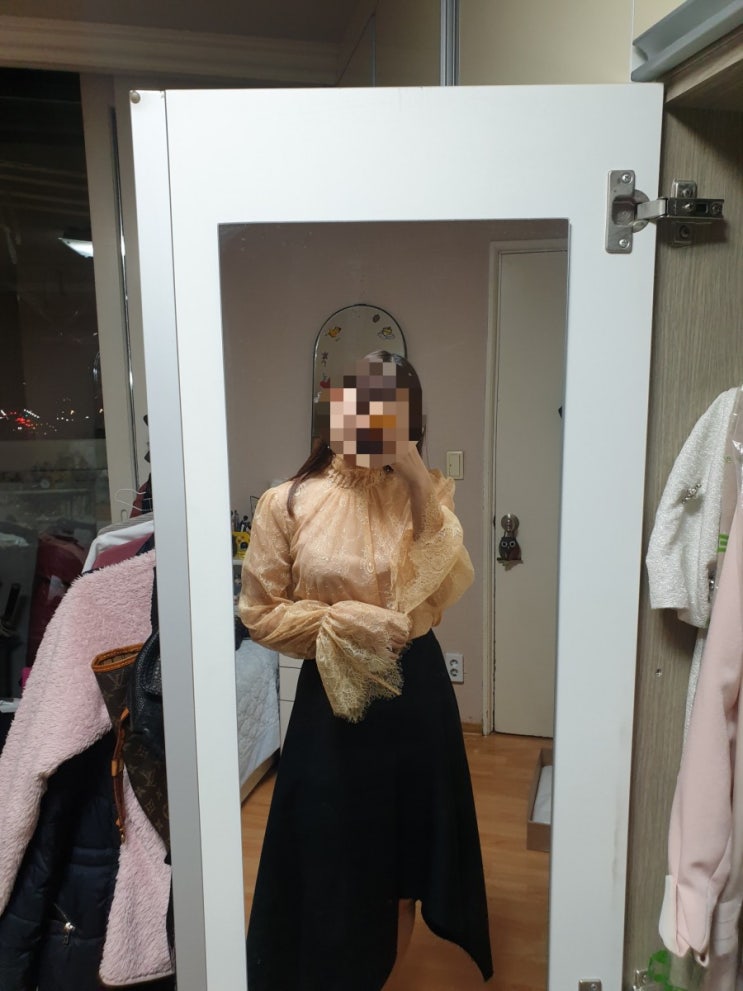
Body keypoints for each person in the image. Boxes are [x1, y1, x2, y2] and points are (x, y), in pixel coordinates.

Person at [239, 350, 493, 990]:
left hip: (415, 697)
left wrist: (415, 477)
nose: (368, 423)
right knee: (329, 853)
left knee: (401, 867)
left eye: (388, 413)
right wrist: (338, 624)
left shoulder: (424, 497)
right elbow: (259, 613)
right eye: (359, 407)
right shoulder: (286, 503)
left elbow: (435, 591)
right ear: (336, 411)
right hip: (332, 699)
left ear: (408, 422)